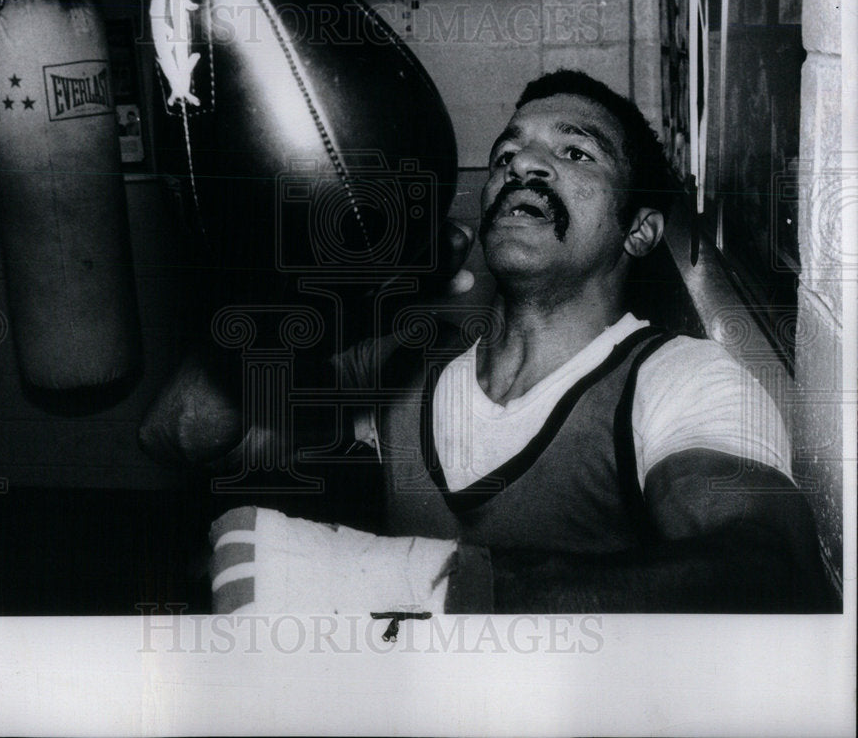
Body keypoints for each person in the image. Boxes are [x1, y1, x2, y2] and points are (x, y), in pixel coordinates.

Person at [207, 69, 835, 614]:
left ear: (640, 231)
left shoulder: (681, 379)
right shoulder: (410, 358)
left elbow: (773, 573)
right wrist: (314, 303)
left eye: (576, 153)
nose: (524, 165)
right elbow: (182, 431)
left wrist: (417, 593)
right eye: (507, 155)